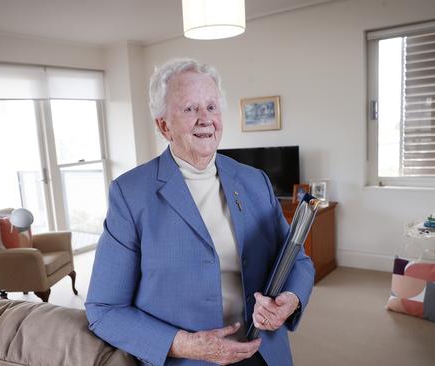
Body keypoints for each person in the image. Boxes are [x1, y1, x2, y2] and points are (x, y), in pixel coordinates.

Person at [85, 59, 314, 366]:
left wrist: (290, 301)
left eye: (211, 107)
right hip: (187, 360)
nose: (205, 119)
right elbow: (104, 310)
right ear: (164, 125)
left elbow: (297, 261)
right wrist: (186, 345)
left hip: (263, 352)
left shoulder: (254, 181)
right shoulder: (130, 194)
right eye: (190, 109)